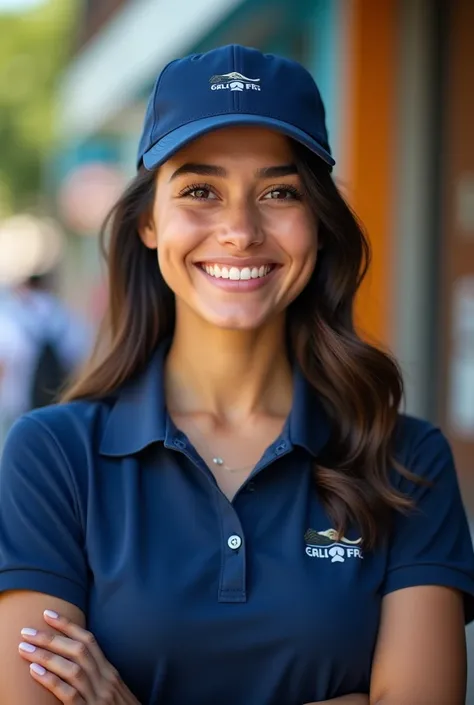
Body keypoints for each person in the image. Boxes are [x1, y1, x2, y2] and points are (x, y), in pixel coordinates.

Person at [0, 44, 473, 705]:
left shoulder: (404, 458)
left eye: (280, 192)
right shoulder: (53, 456)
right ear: (147, 221)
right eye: (200, 191)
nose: (240, 230)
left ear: (318, 222)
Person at [0, 273, 91, 447]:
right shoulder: (59, 313)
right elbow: (79, 357)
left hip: (16, 404)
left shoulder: (11, 315)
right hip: (55, 401)